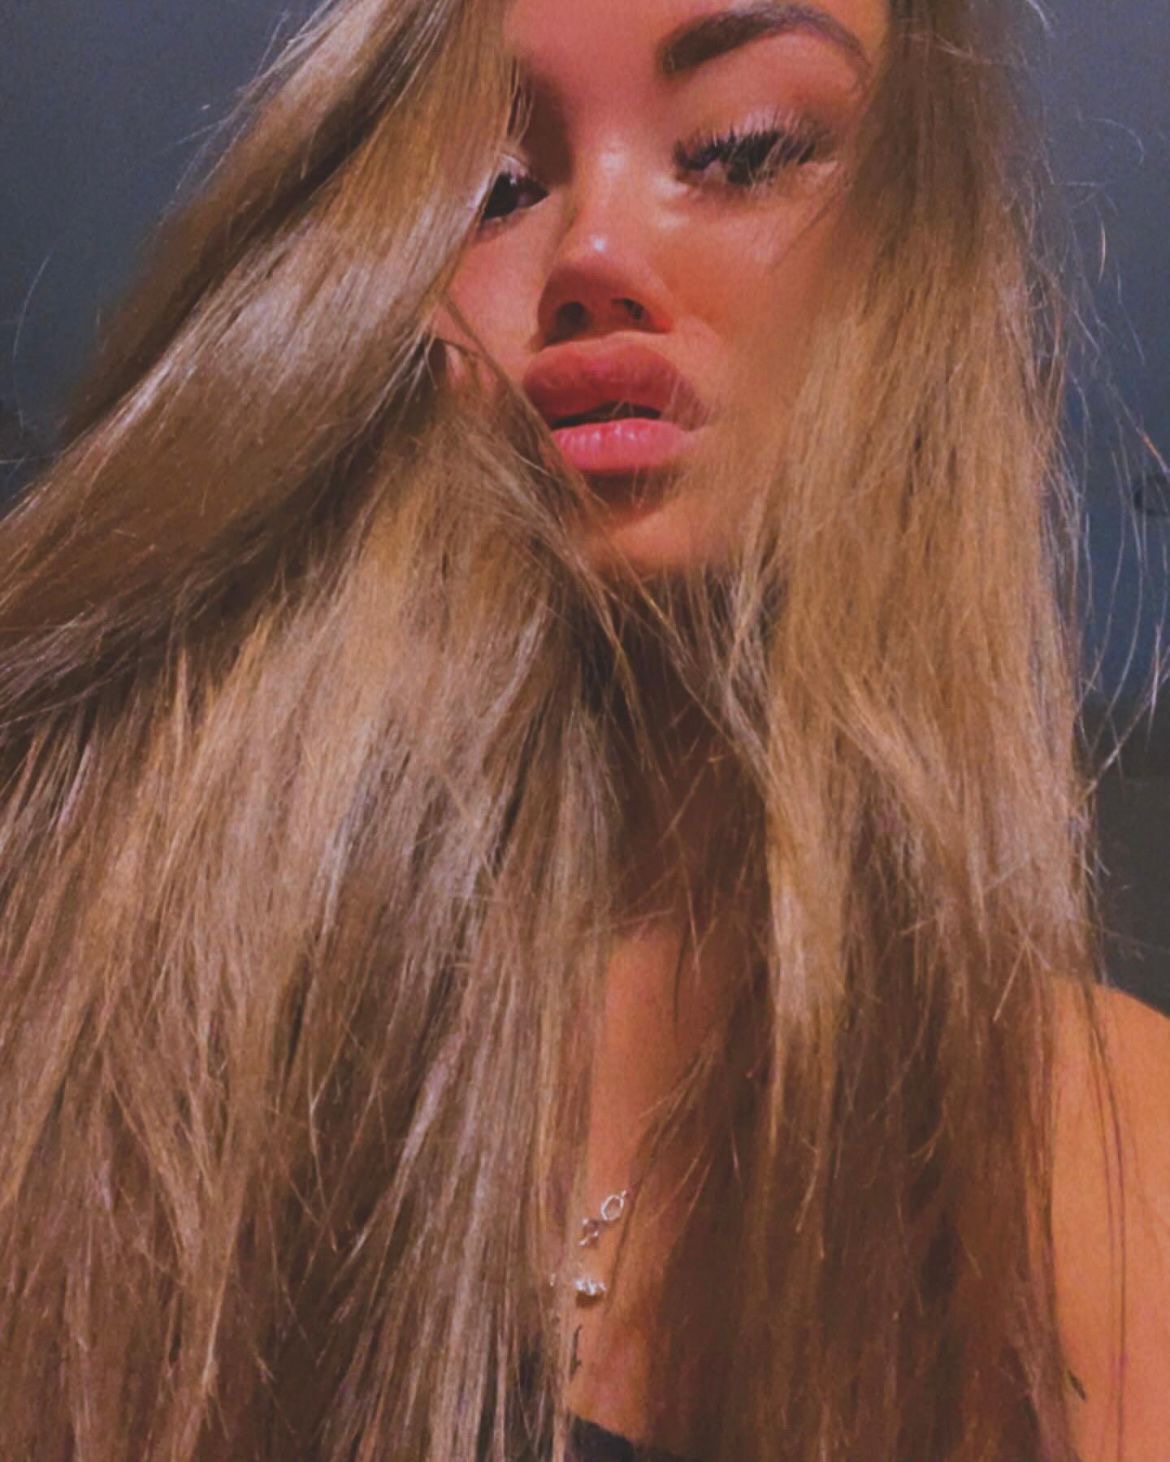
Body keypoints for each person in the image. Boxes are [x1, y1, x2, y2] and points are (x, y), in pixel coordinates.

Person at [0, 0, 1165, 1457]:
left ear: (919, 246)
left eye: (742, 151)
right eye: (493, 186)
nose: (593, 250)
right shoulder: (116, 990)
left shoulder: (1108, 1159)